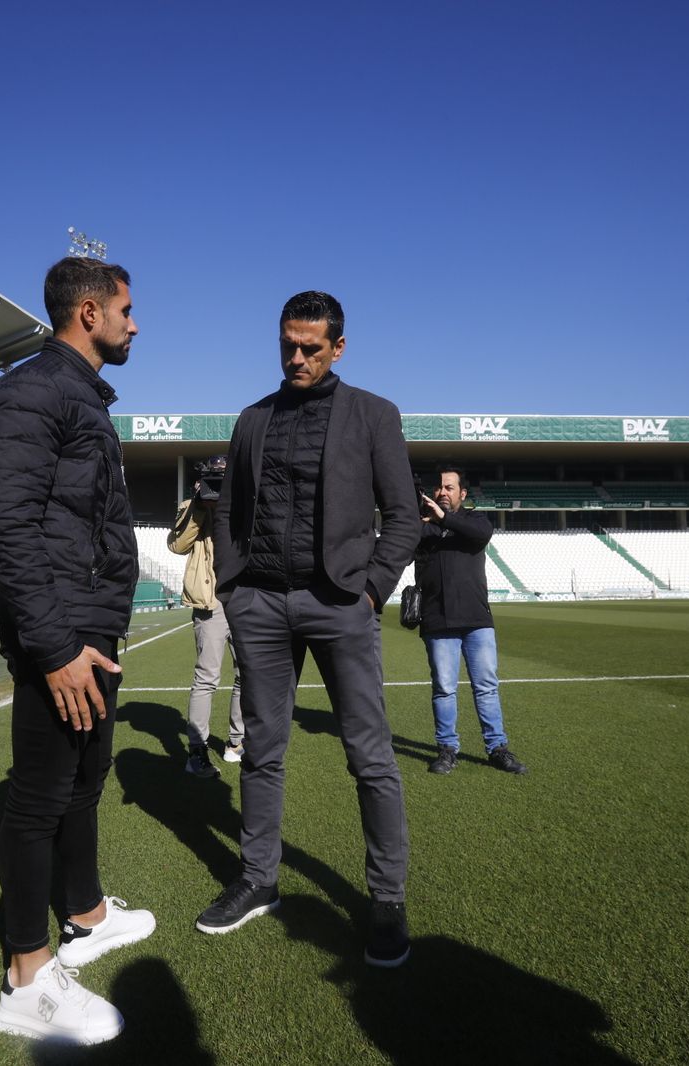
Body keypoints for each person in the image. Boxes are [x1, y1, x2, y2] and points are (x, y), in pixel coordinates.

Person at [198, 290, 421, 968]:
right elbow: (228, 511)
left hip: (340, 603)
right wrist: (234, 589)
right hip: (261, 604)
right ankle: (258, 879)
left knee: (370, 756)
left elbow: (403, 516)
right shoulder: (252, 418)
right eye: (288, 346)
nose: (297, 358)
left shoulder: (374, 414)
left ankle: (387, 898)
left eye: (311, 348)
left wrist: (370, 592)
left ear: (338, 347)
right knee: (261, 751)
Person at [0, 256, 155, 1045]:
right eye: (125, 310)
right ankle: (27, 976)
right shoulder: (30, 390)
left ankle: (85, 913)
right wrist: (53, 647)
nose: (134, 324)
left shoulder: (79, 395)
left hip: (88, 623)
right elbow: (3, 526)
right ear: (88, 313)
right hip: (60, 631)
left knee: (86, 778)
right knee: (41, 794)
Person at [414, 468, 528, 776]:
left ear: (462, 493)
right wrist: (417, 521)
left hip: (477, 620)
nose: (442, 492)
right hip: (437, 620)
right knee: (444, 688)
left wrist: (443, 519)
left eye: (449, 487)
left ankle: (497, 748)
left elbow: (482, 534)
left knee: (486, 686)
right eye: (439, 487)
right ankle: (447, 749)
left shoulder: (474, 520)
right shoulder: (423, 527)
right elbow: (405, 550)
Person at [167, 456, 245, 777]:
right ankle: (197, 751)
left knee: (247, 674)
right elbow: (177, 545)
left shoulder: (243, 501)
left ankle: (236, 742)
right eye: (215, 478)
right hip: (210, 602)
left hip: (243, 598)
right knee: (207, 677)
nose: (219, 485)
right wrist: (200, 506)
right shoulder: (191, 506)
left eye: (224, 478)